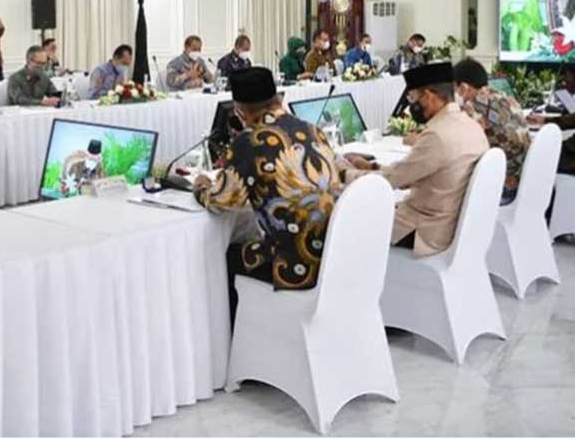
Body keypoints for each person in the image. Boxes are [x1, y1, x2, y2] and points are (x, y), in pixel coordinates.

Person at [193, 67, 342, 323]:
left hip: (292, 263)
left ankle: (236, 337)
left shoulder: (248, 141)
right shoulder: (313, 129)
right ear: (278, 99)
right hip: (330, 252)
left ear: (240, 113)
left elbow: (223, 201)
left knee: (224, 256)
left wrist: (201, 186)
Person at [345, 63, 489, 255]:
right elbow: (412, 173)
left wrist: (342, 172)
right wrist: (371, 166)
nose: (412, 105)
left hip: (426, 230)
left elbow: (390, 182)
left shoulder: (437, 135)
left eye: (413, 97)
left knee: (345, 218)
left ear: (429, 96)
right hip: (453, 223)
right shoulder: (471, 125)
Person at [453, 59, 531, 204]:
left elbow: (462, 144)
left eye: (455, 89)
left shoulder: (473, 106)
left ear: (463, 87)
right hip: (525, 177)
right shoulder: (503, 96)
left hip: (505, 184)